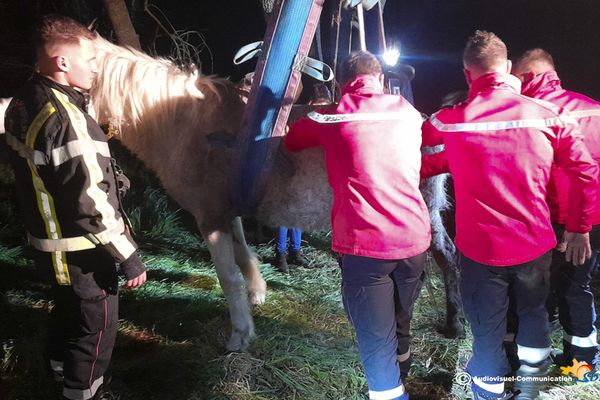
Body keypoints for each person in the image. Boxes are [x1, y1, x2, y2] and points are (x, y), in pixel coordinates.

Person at [420, 31, 597, 400]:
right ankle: (530, 388)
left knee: (486, 330)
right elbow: (585, 172)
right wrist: (580, 229)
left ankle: (489, 392)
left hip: (480, 250)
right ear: (507, 68)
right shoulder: (547, 116)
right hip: (534, 245)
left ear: (468, 75)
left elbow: (414, 147)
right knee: (534, 313)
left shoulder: (451, 120)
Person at [3, 14, 147, 400]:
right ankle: (85, 392)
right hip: (83, 251)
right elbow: (90, 204)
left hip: (48, 244)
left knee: (67, 311)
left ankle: (58, 370)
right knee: (96, 328)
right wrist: (127, 256)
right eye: (91, 61)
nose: (96, 70)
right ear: (62, 62)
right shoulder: (68, 121)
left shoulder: (27, 98)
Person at [286, 51, 431, 400]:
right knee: (401, 314)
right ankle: (404, 366)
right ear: (380, 78)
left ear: (341, 83)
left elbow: (291, 141)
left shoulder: (332, 117)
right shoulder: (408, 113)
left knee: (373, 335)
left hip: (366, 248)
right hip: (414, 239)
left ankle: (388, 392)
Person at [512, 48, 600, 370]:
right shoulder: (594, 109)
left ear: (530, 77)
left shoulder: (530, 114)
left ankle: (536, 359)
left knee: (536, 289)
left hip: (547, 219)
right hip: (593, 220)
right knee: (578, 286)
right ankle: (583, 363)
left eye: (518, 79)